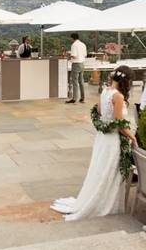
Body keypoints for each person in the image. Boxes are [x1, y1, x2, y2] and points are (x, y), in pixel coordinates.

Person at [52, 65, 137, 220]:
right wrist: (132, 137)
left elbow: (99, 112)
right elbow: (119, 123)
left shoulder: (105, 91)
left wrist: (107, 121)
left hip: (102, 138)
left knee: (100, 169)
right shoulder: (117, 96)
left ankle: (96, 198)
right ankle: (103, 203)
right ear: (126, 80)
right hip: (112, 140)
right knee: (108, 171)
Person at [66, 33, 87, 104]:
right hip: (82, 63)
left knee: (74, 82)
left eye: (70, 38)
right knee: (81, 81)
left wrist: (69, 54)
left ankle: (74, 98)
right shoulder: (83, 44)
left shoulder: (74, 45)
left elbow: (74, 56)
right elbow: (85, 55)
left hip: (76, 64)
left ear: (72, 38)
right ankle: (82, 98)